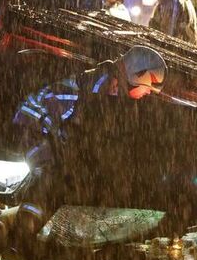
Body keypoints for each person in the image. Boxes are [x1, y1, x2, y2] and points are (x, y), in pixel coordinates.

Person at [12, 46, 166, 223]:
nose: (147, 93)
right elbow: (83, 128)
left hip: (49, 133)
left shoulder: (110, 87)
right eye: (148, 87)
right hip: (31, 127)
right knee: (48, 177)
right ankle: (25, 227)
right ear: (136, 74)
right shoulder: (96, 87)